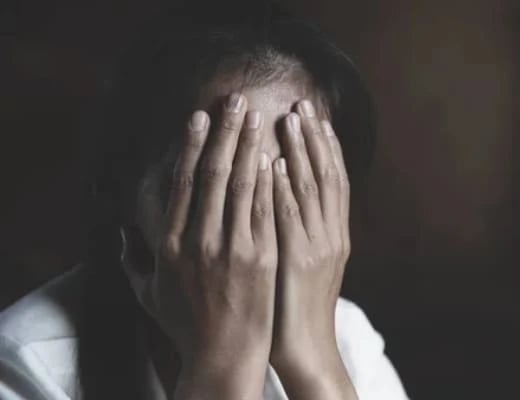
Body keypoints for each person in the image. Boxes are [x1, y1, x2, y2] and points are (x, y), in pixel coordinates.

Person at [0, 4, 409, 399]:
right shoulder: (27, 364)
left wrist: (317, 371)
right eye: (217, 188)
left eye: (292, 188)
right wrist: (223, 366)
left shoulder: (347, 341)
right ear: (126, 193)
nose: (250, 247)